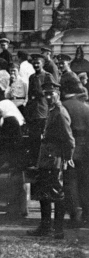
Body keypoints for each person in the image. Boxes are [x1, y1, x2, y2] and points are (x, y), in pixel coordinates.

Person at [27, 80, 75, 239]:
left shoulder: (60, 112)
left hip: (54, 159)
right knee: (44, 193)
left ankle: (58, 230)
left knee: (56, 194)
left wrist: (67, 158)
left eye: (51, 93)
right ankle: (45, 227)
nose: (48, 96)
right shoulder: (52, 110)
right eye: (46, 93)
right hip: (46, 158)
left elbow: (69, 139)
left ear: (58, 94)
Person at [62, 87, 89, 227]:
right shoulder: (86, 108)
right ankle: (86, 215)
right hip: (85, 150)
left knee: (70, 183)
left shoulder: (64, 106)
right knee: (85, 184)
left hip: (70, 150)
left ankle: (74, 215)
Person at [0, 100, 27, 218]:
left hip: (13, 157)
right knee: (17, 184)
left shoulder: (9, 120)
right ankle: (19, 209)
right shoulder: (12, 119)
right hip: (16, 156)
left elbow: (9, 142)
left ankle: (16, 210)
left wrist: (6, 159)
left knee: (14, 184)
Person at [25, 54, 56, 166]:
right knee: (33, 139)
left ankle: (42, 163)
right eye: (34, 63)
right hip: (33, 113)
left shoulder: (47, 76)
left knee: (42, 139)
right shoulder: (31, 77)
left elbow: (52, 95)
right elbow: (29, 95)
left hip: (43, 111)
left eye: (38, 63)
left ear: (42, 64)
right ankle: (34, 162)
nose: (36, 65)